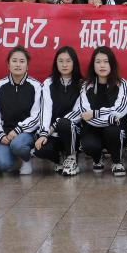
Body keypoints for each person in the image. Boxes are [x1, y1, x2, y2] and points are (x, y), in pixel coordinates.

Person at [78, 46, 127, 175]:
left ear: (112, 64)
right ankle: (97, 159)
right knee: (88, 145)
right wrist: (109, 118)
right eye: (98, 62)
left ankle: (117, 161)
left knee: (112, 130)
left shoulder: (122, 84)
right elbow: (85, 113)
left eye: (106, 61)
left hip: (115, 128)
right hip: (92, 127)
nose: (102, 65)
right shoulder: (86, 85)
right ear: (93, 65)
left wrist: (95, 113)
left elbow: (120, 110)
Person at [0, 47, 42, 175]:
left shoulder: (36, 86)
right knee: (3, 165)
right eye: (14, 61)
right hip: (5, 134)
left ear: (27, 66)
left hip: (27, 133)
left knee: (18, 145)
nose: (18, 64)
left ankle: (26, 158)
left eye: (22, 61)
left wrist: (18, 130)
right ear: (8, 65)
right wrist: (0, 135)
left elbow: (37, 115)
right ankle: (14, 156)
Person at [34, 46, 84, 175]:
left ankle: (72, 157)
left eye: (68, 61)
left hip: (73, 130)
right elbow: (45, 110)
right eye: (60, 61)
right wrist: (44, 133)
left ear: (74, 63)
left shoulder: (82, 84)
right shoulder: (48, 83)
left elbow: (78, 112)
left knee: (65, 124)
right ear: (56, 63)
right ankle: (59, 159)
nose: (64, 65)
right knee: (40, 150)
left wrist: (56, 124)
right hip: (52, 131)